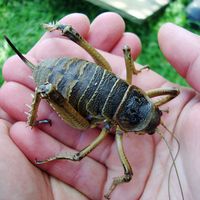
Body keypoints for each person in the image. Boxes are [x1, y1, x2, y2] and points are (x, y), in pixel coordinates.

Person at [0, 12, 198, 200]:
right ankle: (34, 116)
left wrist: (136, 75)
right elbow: (87, 159)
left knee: (70, 42)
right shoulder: (118, 132)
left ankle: (54, 34)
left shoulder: (146, 95)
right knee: (81, 123)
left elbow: (129, 54)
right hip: (70, 79)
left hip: (84, 73)